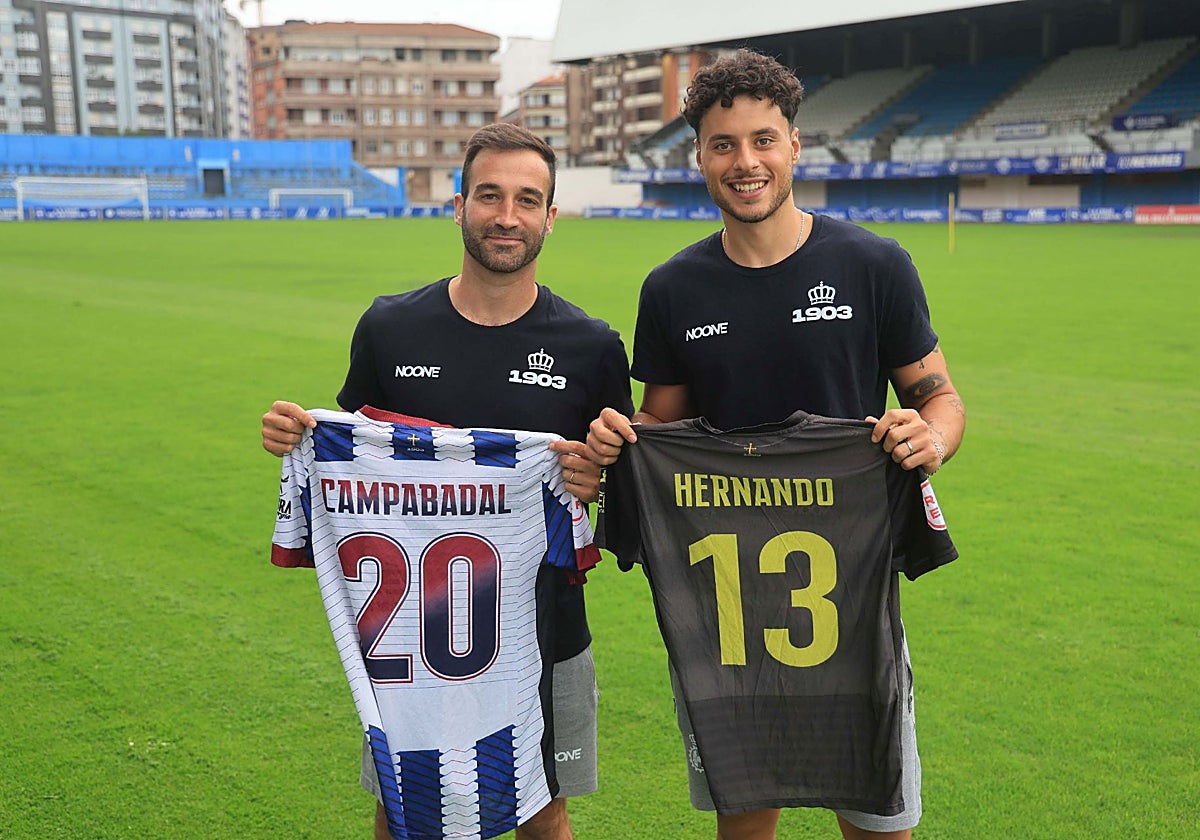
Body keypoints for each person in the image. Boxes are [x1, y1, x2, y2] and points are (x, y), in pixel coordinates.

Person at [585, 49, 965, 840]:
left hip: (850, 600)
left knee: (878, 823)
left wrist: (931, 436)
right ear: (698, 157)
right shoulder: (673, 289)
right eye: (723, 144)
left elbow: (938, 397)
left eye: (763, 140)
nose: (744, 161)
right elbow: (659, 426)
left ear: (795, 145)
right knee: (746, 823)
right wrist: (619, 439)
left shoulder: (872, 265)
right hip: (723, 610)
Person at [262, 123, 633, 840]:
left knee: (544, 808)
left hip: (544, 627)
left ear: (550, 217)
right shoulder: (391, 327)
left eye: (528, 200)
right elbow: (350, 454)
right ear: (457, 204)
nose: (506, 215)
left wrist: (600, 479)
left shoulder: (590, 347)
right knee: (402, 805)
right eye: (489, 195)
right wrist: (297, 438)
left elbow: (624, 498)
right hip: (409, 638)